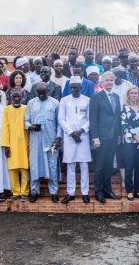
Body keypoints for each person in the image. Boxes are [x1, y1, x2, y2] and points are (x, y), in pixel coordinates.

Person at [25, 82, 62, 203]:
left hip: (50, 140)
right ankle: (34, 192)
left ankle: (54, 192)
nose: (41, 95)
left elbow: (59, 123)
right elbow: (26, 120)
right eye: (39, 93)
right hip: (35, 140)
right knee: (34, 165)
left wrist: (58, 138)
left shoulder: (55, 103)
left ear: (48, 91)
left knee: (52, 165)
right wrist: (30, 127)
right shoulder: (31, 103)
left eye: (43, 93)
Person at [90, 72, 122, 203]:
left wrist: (118, 135)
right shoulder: (96, 97)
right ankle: (98, 191)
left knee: (109, 166)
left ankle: (107, 190)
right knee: (100, 166)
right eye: (107, 80)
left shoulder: (116, 97)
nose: (109, 82)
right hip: (102, 137)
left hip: (113, 136)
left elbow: (117, 117)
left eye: (111, 80)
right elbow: (93, 118)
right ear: (102, 82)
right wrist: (95, 137)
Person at [58, 76, 91, 204]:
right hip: (70, 137)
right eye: (71, 87)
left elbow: (90, 119)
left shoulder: (87, 100)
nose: (73, 90)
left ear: (80, 88)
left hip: (83, 136)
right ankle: (70, 193)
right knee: (70, 166)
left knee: (84, 166)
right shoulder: (64, 100)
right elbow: (61, 119)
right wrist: (72, 133)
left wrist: (81, 131)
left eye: (76, 88)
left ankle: (85, 193)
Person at [0, 89, 29, 201]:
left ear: (21, 97)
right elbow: (5, 127)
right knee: (12, 168)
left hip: (24, 142)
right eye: (14, 97)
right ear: (11, 98)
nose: (16, 99)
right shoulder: (7, 110)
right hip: (11, 143)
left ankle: (24, 193)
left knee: (24, 167)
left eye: (18, 97)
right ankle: (15, 192)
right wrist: (6, 145)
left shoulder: (26, 108)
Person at [121, 86, 139, 201]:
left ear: (138, 95)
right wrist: (136, 137)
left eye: (136, 93)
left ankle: (138, 190)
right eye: (131, 93)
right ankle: (129, 191)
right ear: (128, 95)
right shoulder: (124, 108)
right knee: (129, 166)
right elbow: (124, 125)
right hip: (129, 141)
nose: (134, 95)